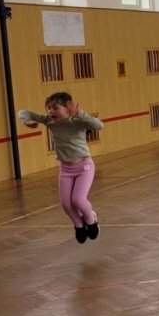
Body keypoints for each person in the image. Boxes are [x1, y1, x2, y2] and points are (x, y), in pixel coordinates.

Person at [18, 92, 105, 243]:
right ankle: (78, 225)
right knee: (66, 204)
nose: (50, 111)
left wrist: (80, 114)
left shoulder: (77, 121)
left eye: (55, 108)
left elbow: (99, 125)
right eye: (48, 108)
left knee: (78, 200)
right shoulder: (49, 121)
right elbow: (22, 112)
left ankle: (91, 220)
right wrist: (27, 121)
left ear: (68, 109)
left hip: (84, 167)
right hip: (65, 169)